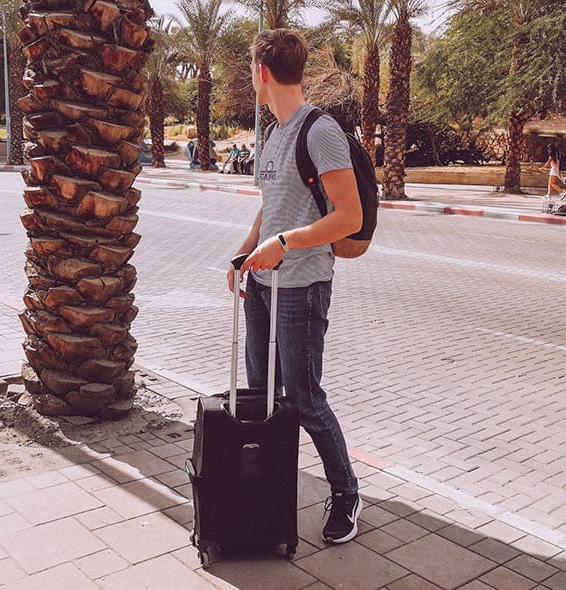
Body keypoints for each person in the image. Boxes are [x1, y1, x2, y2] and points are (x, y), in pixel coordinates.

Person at [227, 28, 364, 545]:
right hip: (263, 284)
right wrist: (245, 251)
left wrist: (285, 243)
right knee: (262, 396)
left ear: (262, 73)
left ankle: (347, 494)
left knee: (304, 399)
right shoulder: (275, 132)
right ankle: (265, 491)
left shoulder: (319, 130)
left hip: (303, 286)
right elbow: (272, 203)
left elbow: (348, 217)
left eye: (250, 70)